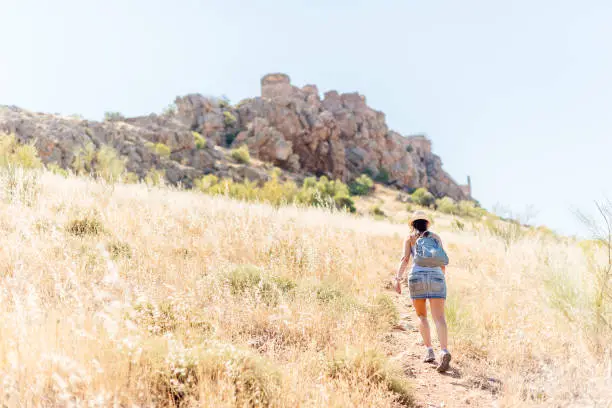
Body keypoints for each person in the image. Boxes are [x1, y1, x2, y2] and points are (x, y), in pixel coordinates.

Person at [394, 211, 451, 373]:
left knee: (422, 316)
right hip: (436, 276)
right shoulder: (435, 237)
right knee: (439, 317)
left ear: (412, 224)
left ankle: (429, 350)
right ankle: (444, 351)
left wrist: (398, 279)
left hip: (416, 276)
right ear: (427, 224)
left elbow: (405, 260)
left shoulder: (410, 238)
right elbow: (442, 261)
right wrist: (441, 277)